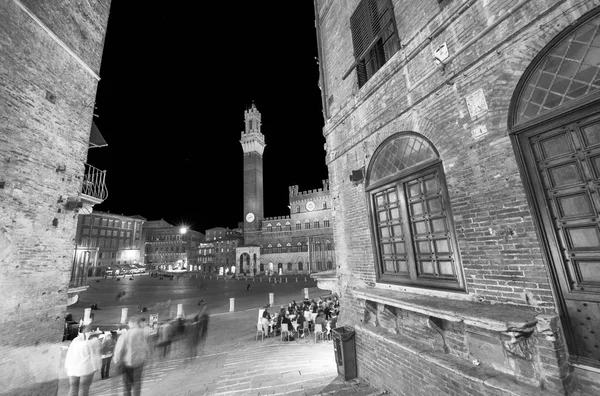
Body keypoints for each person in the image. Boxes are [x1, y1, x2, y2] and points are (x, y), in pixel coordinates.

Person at [113, 316, 148, 396]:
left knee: (127, 385)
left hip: (128, 362)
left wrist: (117, 361)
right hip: (139, 361)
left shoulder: (125, 335)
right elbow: (145, 348)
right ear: (136, 323)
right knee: (137, 383)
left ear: (130, 324)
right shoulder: (142, 333)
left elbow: (120, 349)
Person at [64, 325, 101, 396]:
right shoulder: (90, 342)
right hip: (86, 369)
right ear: (84, 331)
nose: (91, 331)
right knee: (84, 389)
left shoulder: (75, 341)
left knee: (73, 389)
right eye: (89, 330)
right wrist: (97, 367)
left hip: (73, 370)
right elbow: (94, 356)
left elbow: (69, 355)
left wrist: (67, 367)